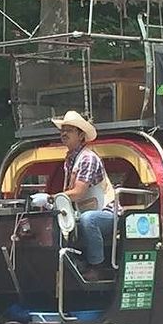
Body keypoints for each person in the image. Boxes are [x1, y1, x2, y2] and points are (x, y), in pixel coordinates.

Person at [51, 110, 116, 280]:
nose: (64, 134)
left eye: (69, 130)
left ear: (81, 135)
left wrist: (51, 198)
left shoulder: (87, 158)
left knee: (89, 220)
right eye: (62, 130)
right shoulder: (70, 160)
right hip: (82, 212)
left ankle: (97, 266)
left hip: (108, 213)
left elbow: (78, 193)